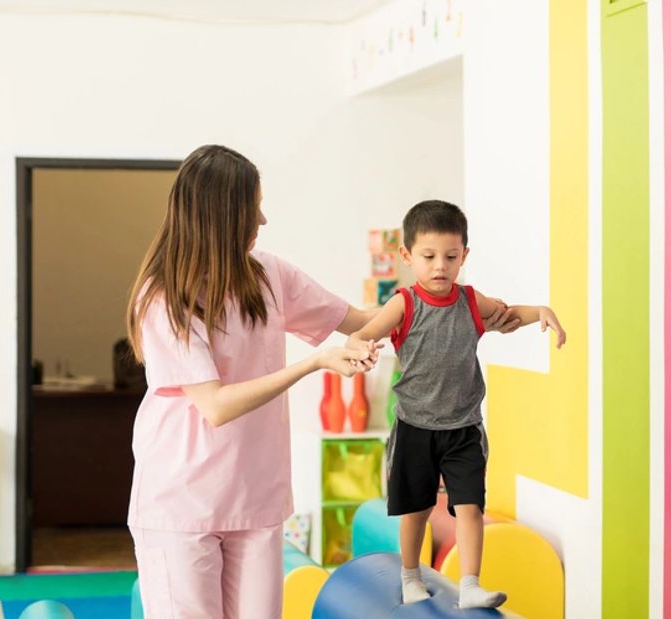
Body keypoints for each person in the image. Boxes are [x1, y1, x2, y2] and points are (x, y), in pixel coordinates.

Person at [124, 147, 518, 618]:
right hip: (182, 502)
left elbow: (362, 321)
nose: (263, 219)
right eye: (254, 207)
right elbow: (215, 406)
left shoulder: (269, 275)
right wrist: (312, 364)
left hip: (254, 497)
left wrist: (465, 311)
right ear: (223, 213)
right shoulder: (165, 297)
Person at [345, 199, 566, 610]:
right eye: (428, 257)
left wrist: (541, 312)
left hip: (463, 427)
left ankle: (469, 584)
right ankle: (410, 575)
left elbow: (507, 317)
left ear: (464, 254)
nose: (440, 266)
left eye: (450, 256)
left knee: (470, 506)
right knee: (417, 509)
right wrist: (356, 346)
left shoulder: (469, 300)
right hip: (415, 426)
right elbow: (368, 330)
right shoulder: (404, 304)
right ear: (408, 256)